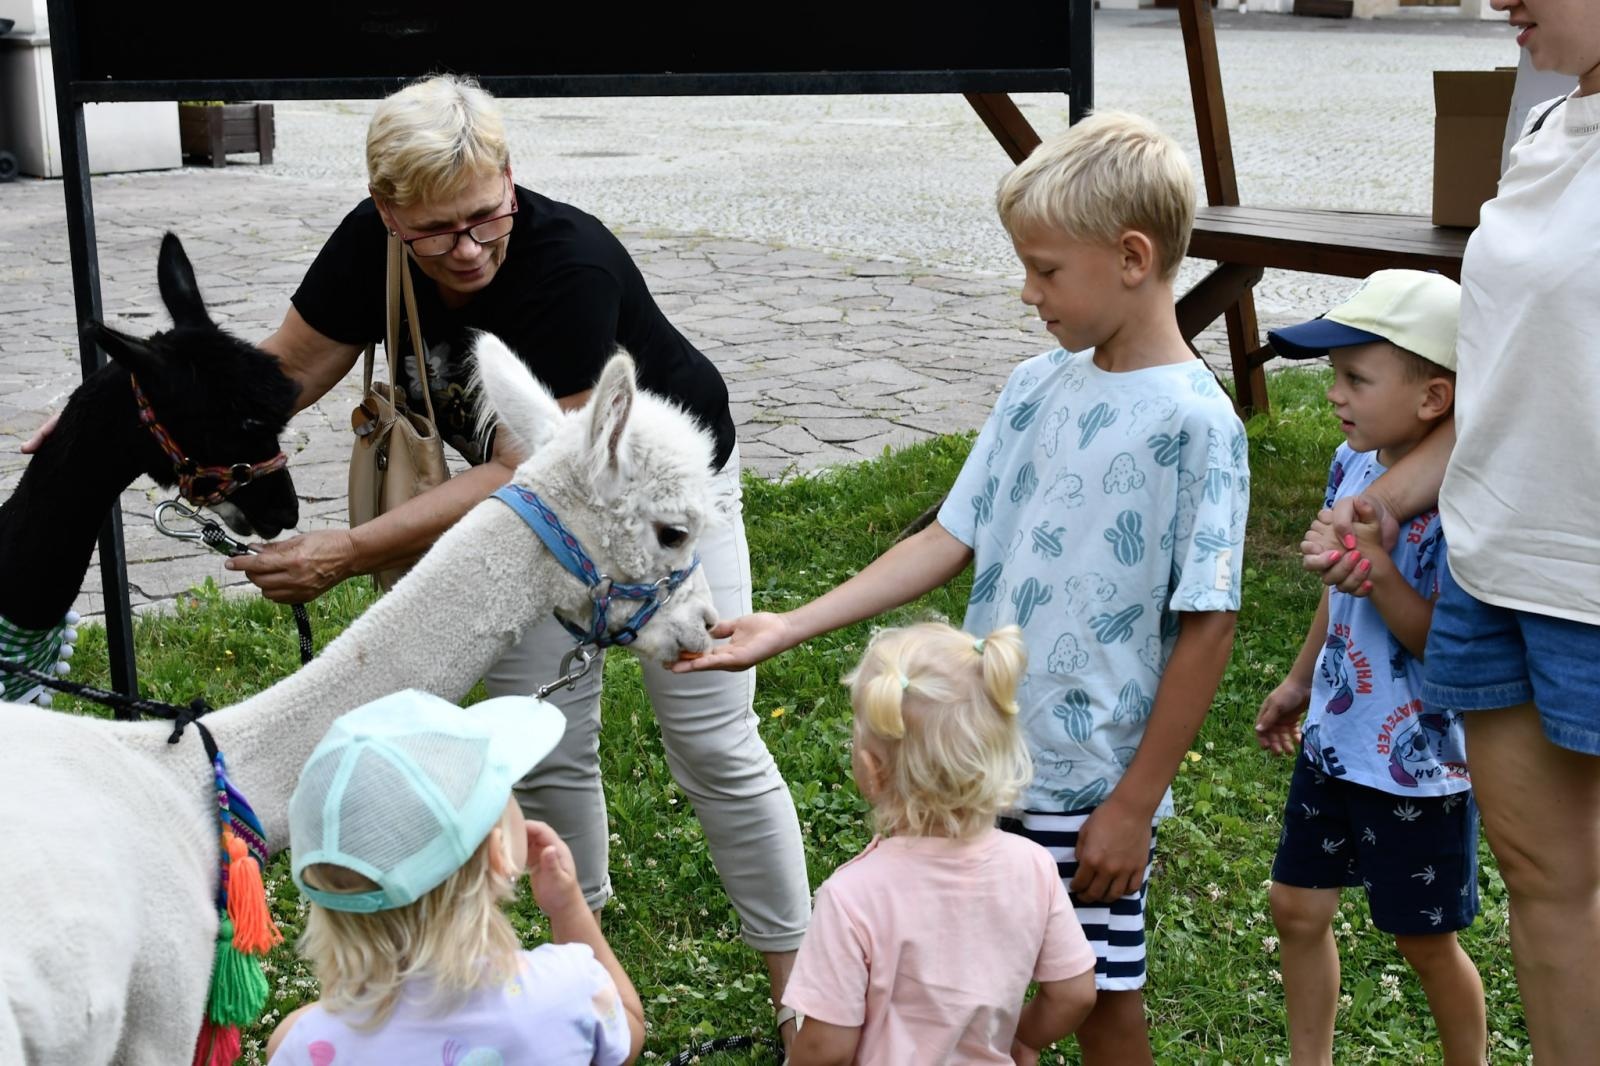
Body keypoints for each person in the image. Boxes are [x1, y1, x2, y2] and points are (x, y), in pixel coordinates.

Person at [166, 73, 806, 1038]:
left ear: (510, 175)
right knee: (549, 746)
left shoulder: (569, 268)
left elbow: (525, 473)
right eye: (434, 233)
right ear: (388, 213)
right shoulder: (369, 247)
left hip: (662, 501)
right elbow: (287, 370)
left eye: (484, 218)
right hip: (538, 517)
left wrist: (347, 550)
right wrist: (146, 416)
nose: (466, 250)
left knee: (712, 737)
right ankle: (583, 981)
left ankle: (802, 1001)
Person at [677, 112, 1249, 1065]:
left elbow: (1210, 626)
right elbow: (950, 535)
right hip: (970, 759)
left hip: (1086, 784)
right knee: (945, 969)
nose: (1028, 293)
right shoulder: (1035, 385)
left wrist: (1134, 805)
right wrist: (792, 627)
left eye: (1046, 269)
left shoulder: (1197, 427)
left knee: (1103, 997)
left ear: (1134, 257)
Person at [1300, 5, 1599, 1060]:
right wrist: (1388, 498)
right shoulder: (1550, 132)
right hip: (1492, 569)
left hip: (1589, 589)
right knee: (1545, 887)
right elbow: (1506, 390)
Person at [1254, 271, 1485, 1066]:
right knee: (1294, 906)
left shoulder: (1461, 506)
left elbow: (1441, 647)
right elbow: (1335, 598)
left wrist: (1381, 568)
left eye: (1356, 377)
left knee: (1425, 942)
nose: (1334, 396)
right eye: (1332, 377)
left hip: (1420, 767)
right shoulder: (1353, 471)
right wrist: (1298, 679)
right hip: (1336, 738)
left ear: (1434, 397)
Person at [266, 688, 644, 1065]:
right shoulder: (566, 992)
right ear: (499, 856)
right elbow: (627, 1032)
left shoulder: (304, 1044)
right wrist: (568, 908)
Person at [782, 622, 1097, 1066]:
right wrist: (1020, 1038)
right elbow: (1075, 994)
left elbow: (826, 1048)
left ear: (872, 771)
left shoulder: (851, 897)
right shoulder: (1033, 866)